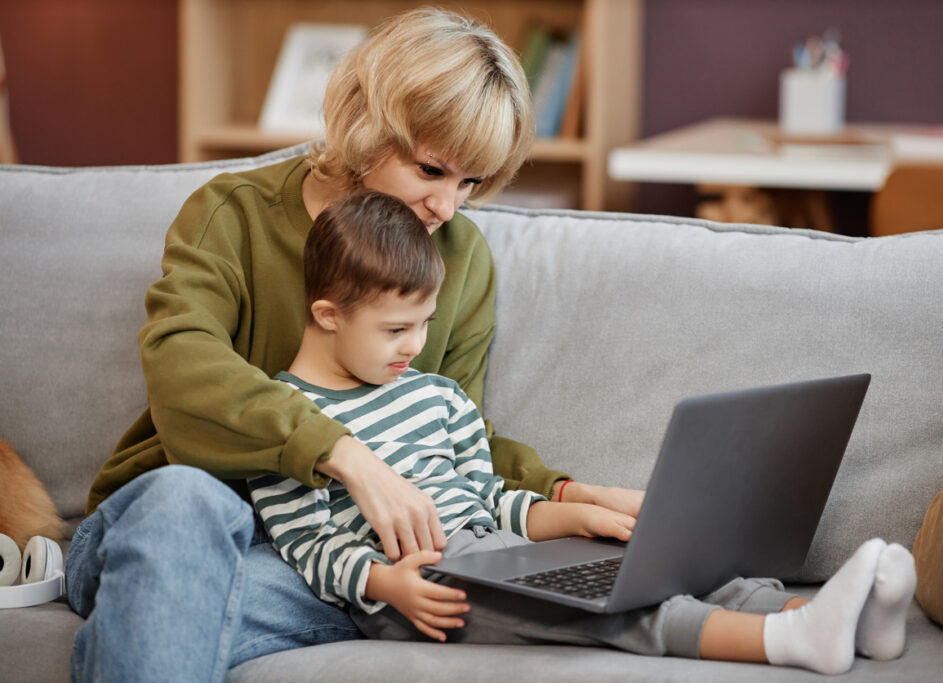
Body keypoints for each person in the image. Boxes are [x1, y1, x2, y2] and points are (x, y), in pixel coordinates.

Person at [66, 8, 640, 682]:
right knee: (184, 505)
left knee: (184, 618)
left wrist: (571, 491)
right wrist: (348, 457)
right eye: (431, 168)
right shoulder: (233, 214)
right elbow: (181, 365)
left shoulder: (461, 257)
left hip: (316, 563)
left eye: (470, 182)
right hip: (184, 520)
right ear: (366, 125)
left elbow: (454, 433)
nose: (446, 207)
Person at [249, 190, 918, 676]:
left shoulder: (435, 395)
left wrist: (571, 516)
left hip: (497, 551)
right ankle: (788, 637)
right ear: (328, 315)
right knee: (601, 613)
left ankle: (852, 618)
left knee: (641, 568)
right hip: (423, 590)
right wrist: (382, 583)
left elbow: (489, 496)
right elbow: (307, 543)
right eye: (395, 329)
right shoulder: (285, 418)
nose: (414, 346)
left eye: (424, 324)